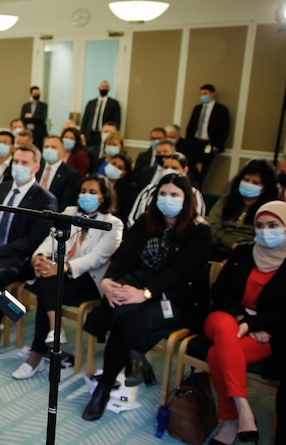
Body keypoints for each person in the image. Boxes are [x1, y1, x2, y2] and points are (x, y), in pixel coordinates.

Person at [82, 173, 212, 421]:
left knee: (122, 318)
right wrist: (109, 280)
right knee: (120, 301)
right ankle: (136, 359)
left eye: (174, 195)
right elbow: (124, 256)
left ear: (187, 200)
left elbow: (179, 272)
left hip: (179, 296)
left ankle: (104, 387)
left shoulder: (200, 231)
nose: (167, 199)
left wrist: (145, 294)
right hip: (141, 284)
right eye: (163, 193)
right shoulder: (147, 221)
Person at [203, 201, 286, 444]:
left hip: (269, 332)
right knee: (224, 328)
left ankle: (230, 421)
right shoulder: (243, 252)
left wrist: (256, 324)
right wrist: (243, 318)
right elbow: (220, 293)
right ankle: (244, 410)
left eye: (273, 225)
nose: (265, 230)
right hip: (226, 318)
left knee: (218, 354)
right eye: (260, 225)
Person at [12, 175, 124, 379]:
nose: (85, 195)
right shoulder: (70, 212)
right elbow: (51, 239)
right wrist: (39, 257)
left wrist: (62, 267)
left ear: (103, 197)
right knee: (48, 280)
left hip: (89, 278)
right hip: (57, 273)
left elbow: (96, 259)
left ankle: (36, 354)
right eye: (83, 191)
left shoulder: (113, 224)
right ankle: (55, 330)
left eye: (92, 192)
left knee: (48, 283)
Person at [0, 145, 58, 355]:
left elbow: (35, 239)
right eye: (16, 161)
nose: (18, 166)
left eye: (24, 163)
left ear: (36, 167)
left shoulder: (45, 199)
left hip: (18, 256)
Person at [207, 159, 278, 261]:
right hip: (219, 249)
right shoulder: (226, 200)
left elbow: (266, 238)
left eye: (255, 182)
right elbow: (213, 227)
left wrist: (243, 248)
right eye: (246, 180)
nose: (249, 184)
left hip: (252, 255)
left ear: (265, 188)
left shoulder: (270, 208)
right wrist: (230, 243)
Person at [127, 152, 206, 227]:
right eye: (166, 167)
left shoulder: (194, 194)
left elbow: (197, 221)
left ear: (185, 170)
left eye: (174, 168)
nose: (169, 170)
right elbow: (133, 218)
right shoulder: (149, 190)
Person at [185, 83, 230, 187]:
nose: (203, 96)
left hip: (209, 144)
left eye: (205, 93)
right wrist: (189, 142)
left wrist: (216, 146)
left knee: (202, 172)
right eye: (201, 94)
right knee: (191, 169)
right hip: (195, 142)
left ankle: (197, 190)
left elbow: (224, 129)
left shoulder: (221, 110)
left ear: (212, 94)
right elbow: (191, 126)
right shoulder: (197, 108)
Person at [37, 135, 80, 211]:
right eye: (46, 147)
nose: (49, 150)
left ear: (63, 151)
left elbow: (66, 203)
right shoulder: (36, 168)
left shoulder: (71, 174)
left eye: (53, 147)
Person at [80, 80, 121, 160]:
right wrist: (82, 133)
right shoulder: (91, 103)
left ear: (109, 89)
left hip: (105, 134)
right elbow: (85, 119)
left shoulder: (114, 104)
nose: (104, 88)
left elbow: (117, 120)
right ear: (98, 88)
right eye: (102, 86)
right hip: (90, 135)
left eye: (106, 87)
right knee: (90, 154)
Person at [103, 153, 137, 224]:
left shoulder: (129, 188)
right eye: (113, 164)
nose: (115, 167)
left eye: (120, 167)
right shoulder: (96, 181)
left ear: (124, 173)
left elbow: (125, 214)